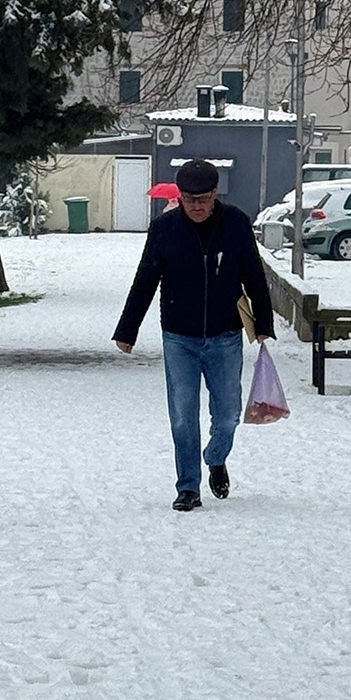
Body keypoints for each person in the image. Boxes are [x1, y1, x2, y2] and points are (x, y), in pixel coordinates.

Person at [113, 158, 275, 512]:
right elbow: (145, 278)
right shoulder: (164, 229)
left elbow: (253, 273)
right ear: (179, 197)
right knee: (183, 415)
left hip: (225, 335)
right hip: (179, 337)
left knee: (228, 415)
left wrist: (263, 321)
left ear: (215, 194)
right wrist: (127, 329)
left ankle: (215, 457)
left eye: (203, 199)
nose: (197, 206)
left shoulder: (235, 223)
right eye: (189, 199)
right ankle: (188, 486)